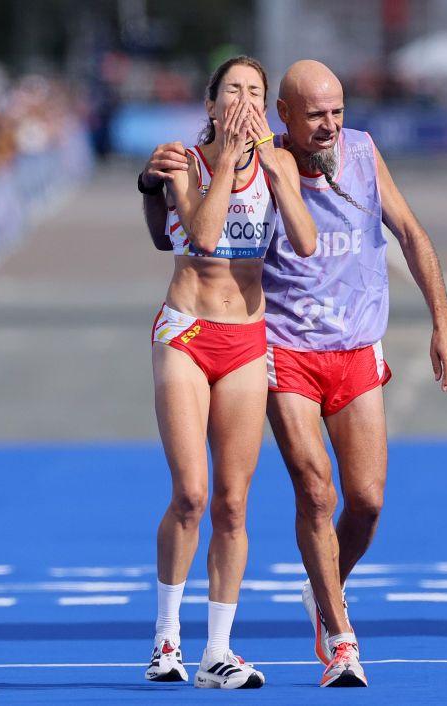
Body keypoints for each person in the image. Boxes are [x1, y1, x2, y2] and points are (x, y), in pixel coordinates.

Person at [140, 59, 447, 688]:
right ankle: (314, 640)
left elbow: (352, 236)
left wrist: (443, 323)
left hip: (313, 345)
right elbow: (190, 235)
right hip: (250, 342)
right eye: (315, 115)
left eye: (338, 112)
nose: (330, 125)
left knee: (347, 503)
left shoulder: (337, 156)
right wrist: (181, 171)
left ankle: (290, 610)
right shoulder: (206, 160)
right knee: (256, 492)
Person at [141, 55, 316, 690]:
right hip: (186, 331)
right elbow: (207, 236)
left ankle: (219, 650)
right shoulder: (181, 161)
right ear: (211, 104)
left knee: (234, 505)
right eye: (233, 90)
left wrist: (274, 170)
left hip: (246, 337)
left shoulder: (278, 163)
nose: (244, 100)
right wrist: (228, 158)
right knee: (191, 493)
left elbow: (304, 242)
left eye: (255, 93)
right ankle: (166, 640)